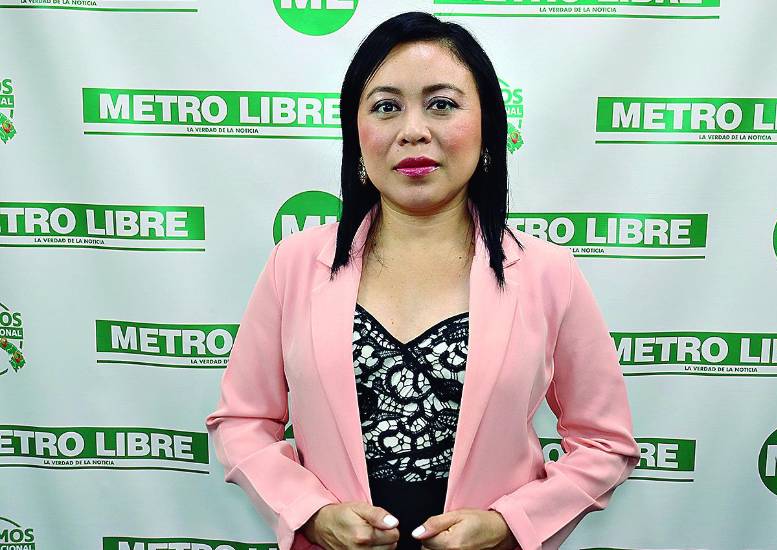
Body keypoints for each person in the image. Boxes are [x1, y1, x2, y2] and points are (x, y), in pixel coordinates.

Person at [205, 11, 640, 550]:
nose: (413, 130)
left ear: (487, 127)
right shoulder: (293, 264)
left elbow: (604, 443)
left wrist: (511, 526)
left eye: (442, 104)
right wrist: (310, 513)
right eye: (386, 107)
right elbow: (243, 421)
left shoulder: (549, 273)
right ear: (356, 133)